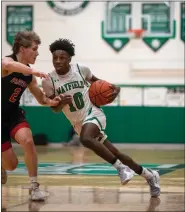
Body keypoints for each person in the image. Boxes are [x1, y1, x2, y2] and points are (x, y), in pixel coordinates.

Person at [42, 39, 160, 197]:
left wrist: (114, 90)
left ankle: (121, 168)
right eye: (55, 58)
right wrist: (60, 103)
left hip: (93, 113)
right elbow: (54, 109)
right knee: (115, 152)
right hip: (77, 123)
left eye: (62, 57)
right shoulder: (48, 81)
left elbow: (100, 85)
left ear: (69, 58)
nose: (57, 61)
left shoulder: (81, 69)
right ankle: (150, 176)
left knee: (85, 139)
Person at [1, 31, 61, 201]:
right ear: (23, 48)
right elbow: (10, 66)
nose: (37, 53)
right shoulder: (7, 62)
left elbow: (41, 98)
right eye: (34, 49)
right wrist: (32, 70)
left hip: (13, 115)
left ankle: (34, 187)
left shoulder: (28, 76)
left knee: (28, 140)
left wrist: (52, 102)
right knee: (11, 166)